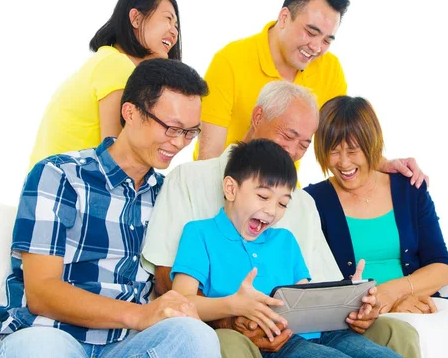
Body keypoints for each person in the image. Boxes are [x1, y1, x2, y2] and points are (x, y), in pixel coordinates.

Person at [142, 80, 421, 358]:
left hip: (306, 330)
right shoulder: (192, 193)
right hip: (255, 334)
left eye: (304, 143)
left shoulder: (293, 221)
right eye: (288, 135)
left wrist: (352, 298)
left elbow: (309, 293)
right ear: (258, 117)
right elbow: (173, 290)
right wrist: (233, 312)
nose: (294, 151)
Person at [0, 59, 220, 358]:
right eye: (171, 128)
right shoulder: (60, 175)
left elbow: (174, 282)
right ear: (130, 113)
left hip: (128, 345)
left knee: (196, 337)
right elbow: (42, 292)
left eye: (190, 132)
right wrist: (139, 315)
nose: (179, 142)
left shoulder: (170, 193)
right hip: (49, 333)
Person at [172, 139, 402, 358]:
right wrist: (232, 305)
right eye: (263, 196)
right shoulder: (199, 233)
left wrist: (349, 298)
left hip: (327, 333)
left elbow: (305, 298)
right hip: (276, 341)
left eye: (282, 203)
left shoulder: (285, 240)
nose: (272, 211)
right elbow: (182, 299)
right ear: (231, 189)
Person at [195, 0, 424, 185]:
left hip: (281, 192)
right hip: (226, 184)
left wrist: (381, 163)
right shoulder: (230, 61)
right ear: (284, 17)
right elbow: (208, 159)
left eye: (327, 40)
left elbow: (340, 135)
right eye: (310, 32)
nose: (316, 48)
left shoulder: (329, 68)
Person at [304, 96, 448, 358]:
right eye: (333, 150)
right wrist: (382, 304)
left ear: (372, 144)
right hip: (356, 317)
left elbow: (441, 268)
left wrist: (395, 293)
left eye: (353, 150)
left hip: (416, 301)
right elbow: (317, 284)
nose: (343, 163)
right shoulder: (312, 201)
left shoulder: (409, 189)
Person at [28, 0, 181, 169]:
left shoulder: (106, 60)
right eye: (167, 19)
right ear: (136, 19)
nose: (174, 32)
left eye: (176, 26)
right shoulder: (117, 65)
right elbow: (117, 159)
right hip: (69, 190)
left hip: (53, 186)